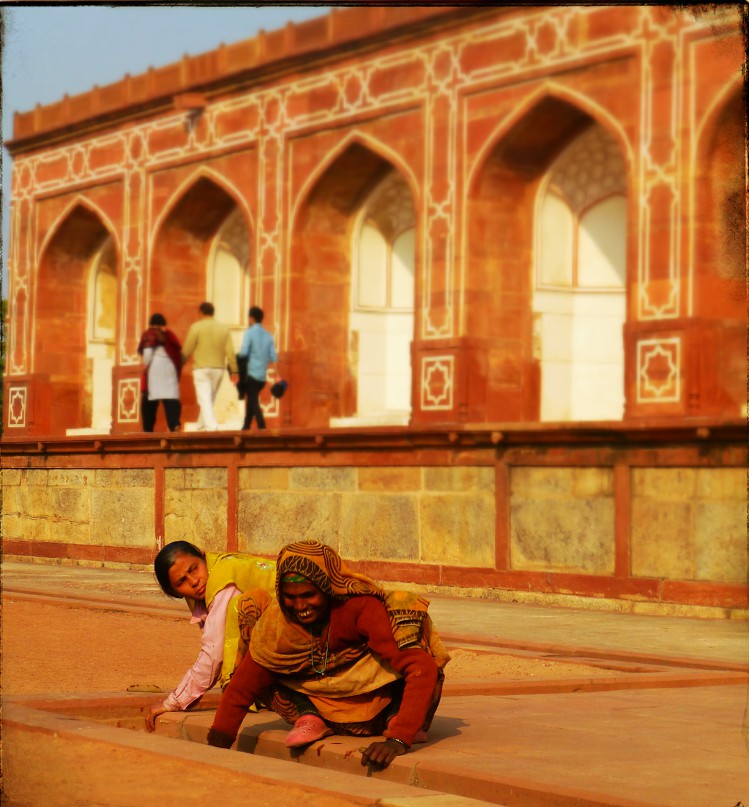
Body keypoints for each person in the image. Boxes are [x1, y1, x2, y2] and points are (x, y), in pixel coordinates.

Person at [206, 540, 450, 771]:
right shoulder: (277, 624)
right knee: (260, 660)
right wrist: (216, 749)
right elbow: (242, 687)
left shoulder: (360, 607)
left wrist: (398, 738)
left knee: (423, 655)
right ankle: (310, 716)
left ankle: (398, 717)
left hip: (378, 712)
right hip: (322, 709)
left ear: (327, 588)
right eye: (290, 597)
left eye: (308, 595)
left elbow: (421, 668)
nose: (300, 606)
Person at [145, 541, 277, 732]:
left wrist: (173, 702)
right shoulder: (215, 572)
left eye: (194, 569)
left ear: (203, 557)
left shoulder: (222, 584)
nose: (194, 581)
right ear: (175, 592)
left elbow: (214, 655)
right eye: (182, 581)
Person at [181, 302, 238, 431]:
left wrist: (180, 363)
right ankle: (201, 424)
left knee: (205, 398)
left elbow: (187, 349)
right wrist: (234, 370)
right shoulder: (223, 328)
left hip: (201, 368)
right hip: (218, 368)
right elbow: (230, 351)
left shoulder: (196, 327)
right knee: (209, 398)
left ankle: (212, 427)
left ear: (200, 312)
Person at [137, 313, 183, 432]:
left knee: (149, 401)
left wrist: (146, 365)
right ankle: (174, 425)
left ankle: (148, 429)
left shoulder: (149, 334)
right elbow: (178, 354)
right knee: (171, 399)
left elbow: (147, 356)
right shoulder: (170, 335)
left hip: (155, 370)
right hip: (170, 369)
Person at [237, 306, 278, 431]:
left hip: (251, 374)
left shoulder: (249, 333)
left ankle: (261, 425)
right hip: (262, 376)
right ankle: (246, 426)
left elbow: (243, 352)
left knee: (253, 401)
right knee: (251, 399)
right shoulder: (268, 336)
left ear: (251, 318)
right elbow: (273, 357)